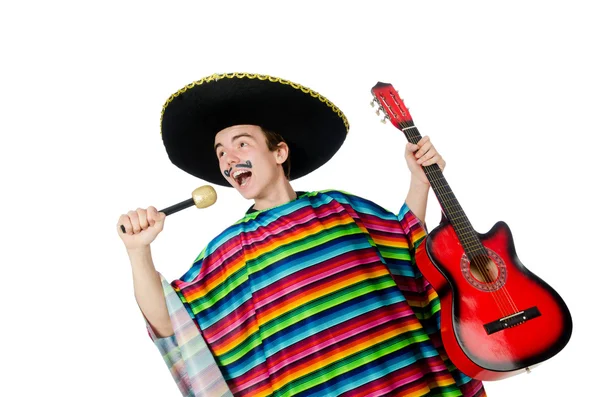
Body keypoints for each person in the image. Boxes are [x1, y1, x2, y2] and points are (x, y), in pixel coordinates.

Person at [117, 73, 487, 397]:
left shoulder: (342, 209)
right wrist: (138, 252)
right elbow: (170, 323)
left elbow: (408, 246)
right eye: (220, 153)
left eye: (241, 143)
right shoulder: (229, 253)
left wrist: (420, 181)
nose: (229, 159)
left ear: (279, 152)